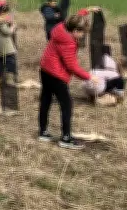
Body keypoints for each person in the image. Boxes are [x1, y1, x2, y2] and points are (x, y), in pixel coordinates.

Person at [38, 15, 99, 151]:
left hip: (45, 69)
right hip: (56, 75)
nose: (83, 35)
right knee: (67, 105)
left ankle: (43, 132)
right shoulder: (69, 43)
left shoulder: (60, 28)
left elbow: (74, 17)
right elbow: (72, 66)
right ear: (76, 30)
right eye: (82, 32)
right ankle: (66, 138)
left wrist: (86, 11)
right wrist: (89, 77)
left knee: (46, 100)